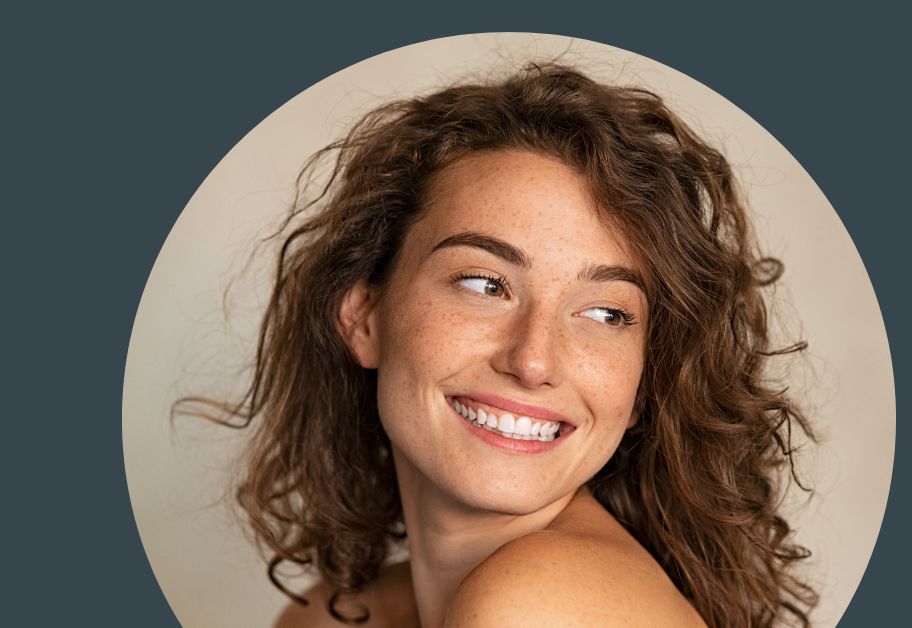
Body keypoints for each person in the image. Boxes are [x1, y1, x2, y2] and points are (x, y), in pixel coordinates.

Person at [179, 62, 817, 627]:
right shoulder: (331, 616)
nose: (533, 360)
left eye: (604, 312)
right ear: (365, 315)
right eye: (485, 284)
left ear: (646, 375)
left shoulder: (536, 605)